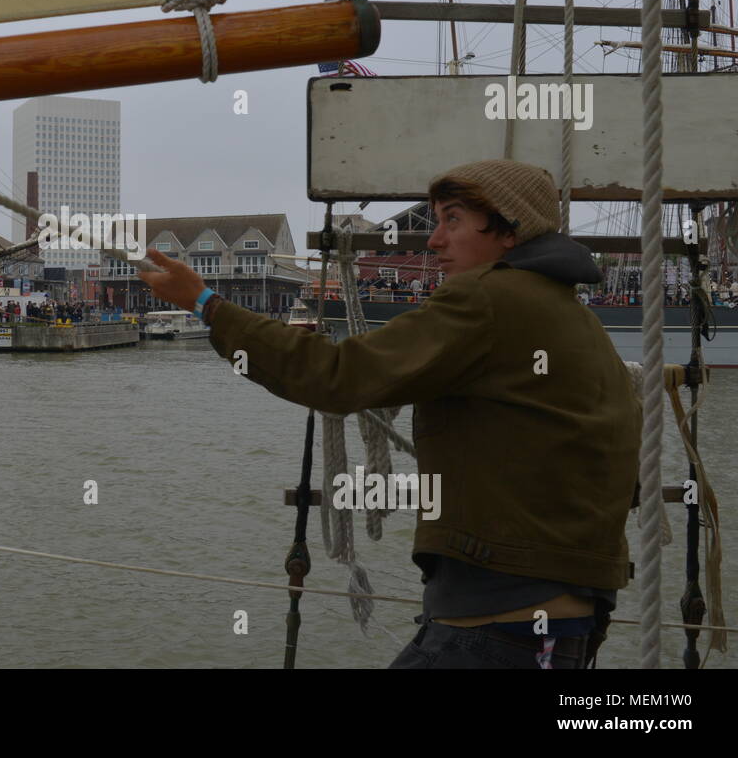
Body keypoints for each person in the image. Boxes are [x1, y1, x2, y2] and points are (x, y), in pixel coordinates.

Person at [139, 159, 639, 670]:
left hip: (501, 618)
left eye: (453, 221)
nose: (433, 241)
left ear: (510, 231)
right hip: (558, 609)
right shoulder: (573, 314)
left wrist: (205, 303)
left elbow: (336, 374)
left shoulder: (488, 298)